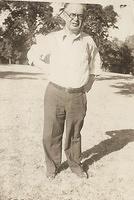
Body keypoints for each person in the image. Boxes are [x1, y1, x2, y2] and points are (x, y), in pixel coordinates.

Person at [27, 3, 102, 180]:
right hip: (54, 92)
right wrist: (47, 69)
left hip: (77, 95)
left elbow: (96, 65)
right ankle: (51, 167)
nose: (76, 19)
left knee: (74, 133)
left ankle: (75, 165)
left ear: (83, 19)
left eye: (80, 16)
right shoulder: (52, 38)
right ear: (64, 16)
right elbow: (32, 54)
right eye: (72, 15)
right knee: (51, 132)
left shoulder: (88, 41)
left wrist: (88, 84)